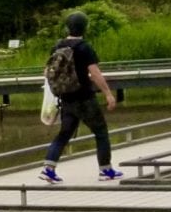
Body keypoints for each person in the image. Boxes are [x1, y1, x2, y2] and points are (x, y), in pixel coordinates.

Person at [41, 11, 123, 184]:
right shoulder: (84, 47)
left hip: (66, 98)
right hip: (84, 97)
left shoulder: (57, 46)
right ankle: (105, 169)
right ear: (85, 27)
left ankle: (48, 168)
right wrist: (108, 94)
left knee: (64, 134)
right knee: (100, 131)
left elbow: (47, 72)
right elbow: (95, 73)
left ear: (67, 27)